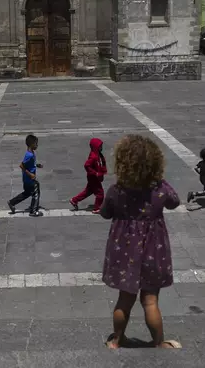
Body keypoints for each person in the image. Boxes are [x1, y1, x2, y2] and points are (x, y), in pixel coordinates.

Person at [100, 134, 181, 349]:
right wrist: (160, 180)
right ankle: (158, 343)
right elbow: (175, 201)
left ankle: (117, 340)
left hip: (124, 251)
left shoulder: (117, 191)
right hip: (154, 251)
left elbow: (105, 212)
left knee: (124, 301)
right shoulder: (160, 190)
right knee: (150, 301)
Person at [7, 134, 44, 217]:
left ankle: (12, 202)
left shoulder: (31, 153)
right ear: (31, 144)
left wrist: (37, 165)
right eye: (36, 144)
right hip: (28, 179)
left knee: (27, 193)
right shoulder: (29, 155)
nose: (37, 145)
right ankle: (33, 211)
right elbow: (21, 165)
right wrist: (30, 174)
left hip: (27, 179)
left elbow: (30, 164)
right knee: (36, 190)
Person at [69, 138, 107, 213]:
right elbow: (87, 165)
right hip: (93, 178)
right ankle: (97, 208)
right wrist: (95, 173)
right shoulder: (94, 156)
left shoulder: (96, 154)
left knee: (88, 191)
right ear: (95, 147)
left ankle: (74, 200)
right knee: (100, 193)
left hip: (92, 177)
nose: (101, 148)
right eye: (100, 146)